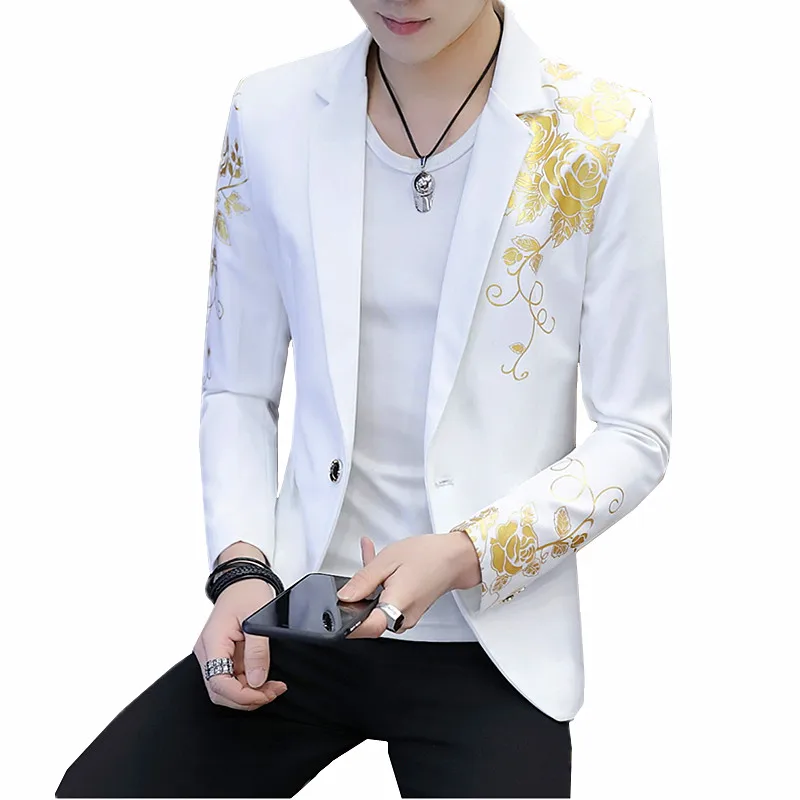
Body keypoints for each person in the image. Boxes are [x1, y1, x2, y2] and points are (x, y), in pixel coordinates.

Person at [56, 0, 671, 797]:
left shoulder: (601, 130)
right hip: (299, 611)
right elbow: (237, 384)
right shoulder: (270, 114)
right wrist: (242, 571)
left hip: (492, 643)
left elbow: (635, 433)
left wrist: (466, 552)